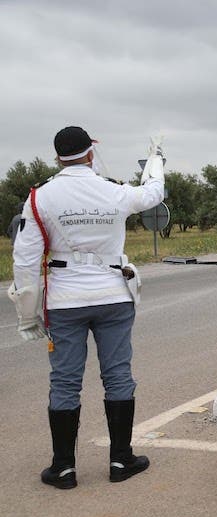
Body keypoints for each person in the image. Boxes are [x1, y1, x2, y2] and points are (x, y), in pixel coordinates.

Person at [9, 126, 165, 489]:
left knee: (64, 381)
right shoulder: (113, 191)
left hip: (65, 302)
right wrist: (156, 160)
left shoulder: (40, 198)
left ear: (57, 157)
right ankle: (121, 460)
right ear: (90, 154)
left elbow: (25, 261)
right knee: (118, 375)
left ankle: (63, 467)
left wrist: (27, 315)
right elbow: (154, 193)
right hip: (113, 295)